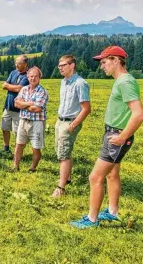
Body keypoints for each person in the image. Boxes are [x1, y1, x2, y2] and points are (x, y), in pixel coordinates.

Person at [70, 46, 143, 229]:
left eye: (104, 62)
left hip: (117, 136)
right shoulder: (122, 80)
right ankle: (112, 212)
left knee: (95, 177)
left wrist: (122, 138)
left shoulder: (125, 82)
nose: (101, 66)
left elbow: (139, 114)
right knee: (112, 174)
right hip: (114, 133)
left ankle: (92, 219)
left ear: (116, 60)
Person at [52, 55, 91, 197]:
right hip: (60, 121)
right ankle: (67, 177)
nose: (60, 68)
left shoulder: (80, 83)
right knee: (61, 151)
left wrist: (74, 124)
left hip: (70, 122)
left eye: (63, 65)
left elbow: (86, 108)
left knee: (63, 155)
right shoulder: (64, 82)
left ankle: (60, 188)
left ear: (72, 65)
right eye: (59, 65)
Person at [12, 66, 49, 172]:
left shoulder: (43, 92)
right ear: (28, 77)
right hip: (23, 121)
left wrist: (23, 104)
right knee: (19, 144)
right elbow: (16, 103)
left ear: (40, 77)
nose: (33, 78)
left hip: (37, 123)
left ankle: (32, 168)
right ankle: (15, 166)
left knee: (35, 147)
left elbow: (36, 109)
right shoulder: (24, 89)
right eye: (31, 76)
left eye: (36, 76)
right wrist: (29, 103)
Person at [1, 55, 29, 153]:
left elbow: (19, 89)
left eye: (18, 63)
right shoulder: (13, 72)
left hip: (19, 110)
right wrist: (13, 87)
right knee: (4, 128)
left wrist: (10, 86)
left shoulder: (28, 76)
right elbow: (4, 86)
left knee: (18, 132)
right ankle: (6, 148)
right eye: (16, 62)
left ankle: (18, 152)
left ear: (25, 64)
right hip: (8, 106)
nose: (16, 65)